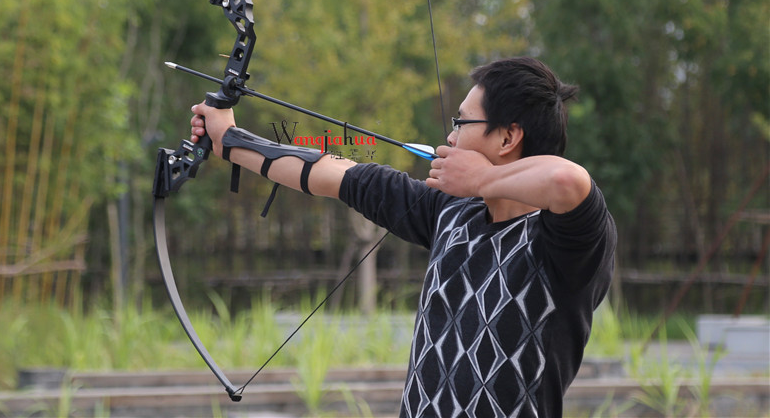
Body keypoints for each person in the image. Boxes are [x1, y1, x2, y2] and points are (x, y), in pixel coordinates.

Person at [190, 56, 617, 417]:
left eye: (462, 122)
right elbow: (332, 172)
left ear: (508, 136)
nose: (450, 136)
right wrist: (229, 141)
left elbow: (567, 179)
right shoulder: (449, 211)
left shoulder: (567, 242)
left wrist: (485, 178)